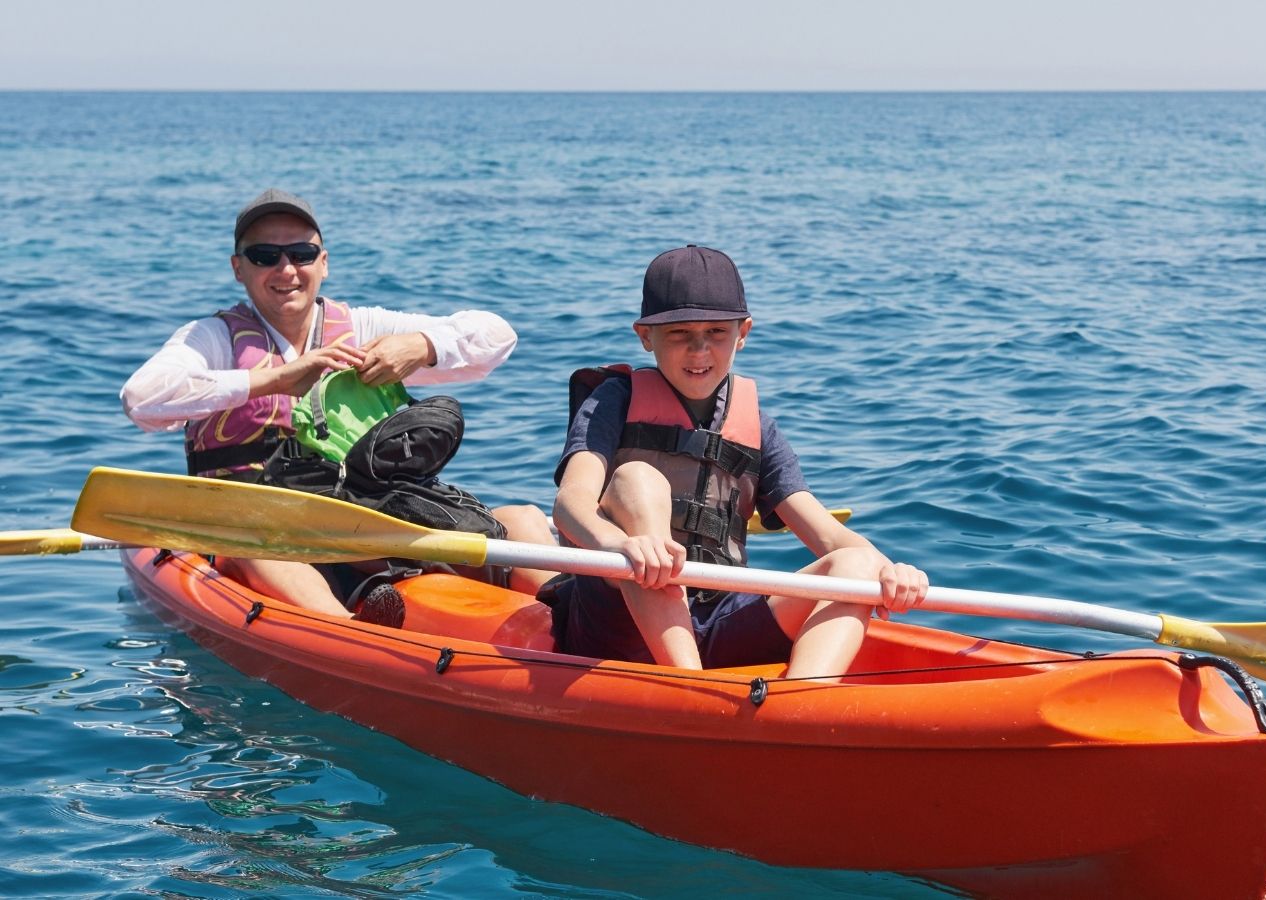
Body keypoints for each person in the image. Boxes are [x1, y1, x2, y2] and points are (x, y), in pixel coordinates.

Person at [121, 188, 556, 622]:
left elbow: (497, 335)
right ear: (239, 268)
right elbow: (143, 399)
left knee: (520, 518)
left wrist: (422, 346)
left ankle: (570, 619)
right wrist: (273, 380)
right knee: (255, 547)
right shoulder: (213, 339)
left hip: (369, 518)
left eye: (301, 253)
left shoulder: (365, 327)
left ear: (323, 263)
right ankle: (353, 633)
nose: (286, 269)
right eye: (264, 256)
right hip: (264, 530)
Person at [550, 245, 928, 679]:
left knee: (858, 566)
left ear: (743, 332)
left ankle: (802, 706)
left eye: (716, 332)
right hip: (618, 619)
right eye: (679, 333)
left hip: (716, 618)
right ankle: (689, 689)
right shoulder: (613, 402)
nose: (699, 350)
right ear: (645, 336)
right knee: (637, 478)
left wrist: (891, 569)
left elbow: (830, 536)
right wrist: (619, 546)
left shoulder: (756, 426)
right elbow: (570, 504)